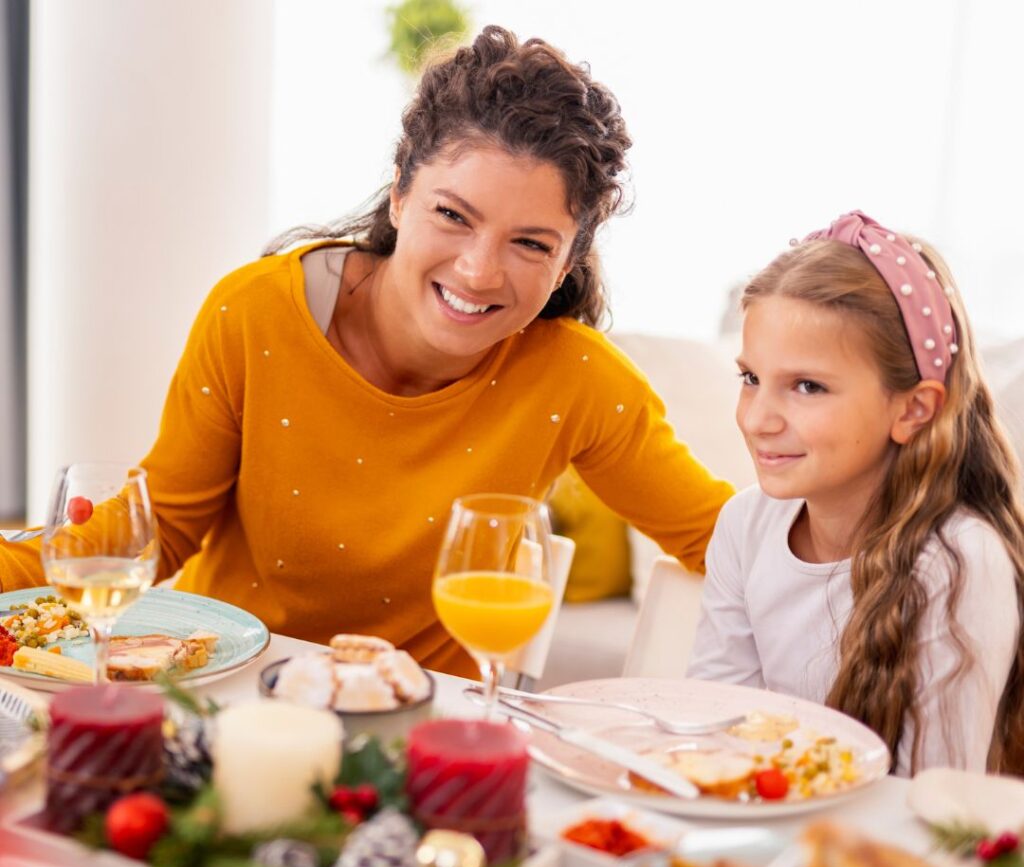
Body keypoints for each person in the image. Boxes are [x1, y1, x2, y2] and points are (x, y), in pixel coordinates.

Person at [0, 26, 733, 677]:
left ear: (570, 258)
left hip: (412, 731)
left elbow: (730, 544)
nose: (479, 272)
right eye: (453, 215)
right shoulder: (253, 313)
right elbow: (156, 532)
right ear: (399, 196)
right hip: (222, 701)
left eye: (531, 244)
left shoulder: (581, 379)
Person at [687, 211, 1024, 776]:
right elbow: (715, 733)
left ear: (913, 408)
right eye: (750, 378)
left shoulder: (959, 561)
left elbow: (931, 805)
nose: (758, 419)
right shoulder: (746, 524)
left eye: (807, 386)